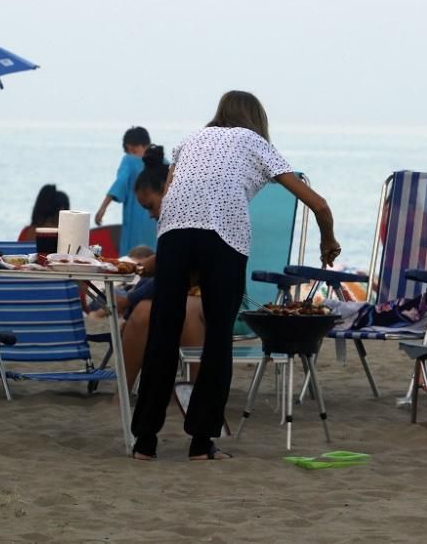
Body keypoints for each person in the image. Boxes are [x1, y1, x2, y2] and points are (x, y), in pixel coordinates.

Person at [131, 90, 340, 461]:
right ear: (256, 120)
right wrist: (328, 240)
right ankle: (200, 443)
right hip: (223, 236)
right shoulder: (254, 141)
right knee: (217, 338)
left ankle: (145, 442)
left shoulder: (190, 140)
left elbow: (173, 194)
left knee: (163, 330)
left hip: (174, 233)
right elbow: (318, 203)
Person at [118, 147, 205, 389]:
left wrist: (132, 295)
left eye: (150, 206)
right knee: (143, 313)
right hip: (183, 291)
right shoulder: (173, 223)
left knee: (185, 310)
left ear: (166, 192)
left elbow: (178, 269)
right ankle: (123, 395)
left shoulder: (192, 216)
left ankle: (196, 394)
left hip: (213, 292)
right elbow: (168, 268)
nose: (150, 215)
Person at [95, 126, 158, 256]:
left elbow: (120, 182)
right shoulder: (162, 161)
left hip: (135, 222)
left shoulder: (129, 161)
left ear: (143, 145)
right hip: (157, 221)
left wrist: (103, 207)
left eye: (133, 150)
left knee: (131, 259)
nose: (131, 154)